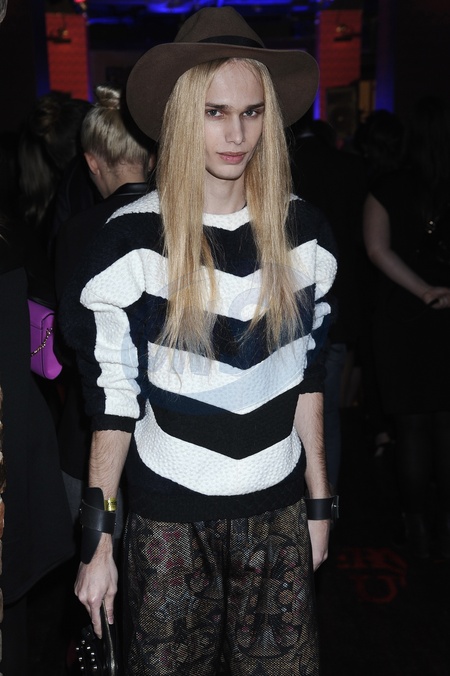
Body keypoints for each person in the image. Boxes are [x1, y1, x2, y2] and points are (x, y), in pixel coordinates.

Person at [60, 8, 337, 674]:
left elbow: (309, 378)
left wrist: (320, 502)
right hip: (168, 523)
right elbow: (112, 400)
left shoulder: (306, 234)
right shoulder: (128, 241)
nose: (236, 134)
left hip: (278, 513)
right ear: (184, 117)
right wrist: (98, 538)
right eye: (215, 112)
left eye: (251, 112)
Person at [363, 96, 450, 559]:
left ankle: (415, 528)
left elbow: (377, 250)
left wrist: (423, 290)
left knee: (411, 428)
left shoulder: (387, 187)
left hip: (403, 318)